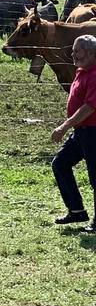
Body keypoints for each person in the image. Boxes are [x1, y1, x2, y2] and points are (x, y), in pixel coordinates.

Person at [51, 34, 96, 231]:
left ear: (92, 53)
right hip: (81, 131)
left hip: (93, 132)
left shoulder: (95, 74)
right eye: (73, 51)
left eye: (77, 51)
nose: (73, 55)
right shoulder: (82, 70)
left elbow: (89, 107)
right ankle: (76, 211)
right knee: (60, 164)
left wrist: (64, 126)